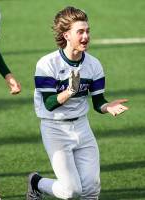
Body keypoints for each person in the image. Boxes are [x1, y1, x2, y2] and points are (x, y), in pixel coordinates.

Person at [27, 6, 129, 200]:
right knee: (71, 192)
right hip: (55, 129)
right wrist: (70, 91)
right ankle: (36, 182)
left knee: (91, 189)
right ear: (66, 35)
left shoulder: (93, 64)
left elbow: (98, 101)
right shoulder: (47, 64)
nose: (86, 36)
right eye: (80, 32)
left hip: (82, 127)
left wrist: (108, 107)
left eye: (87, 31)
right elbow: (49, 103)